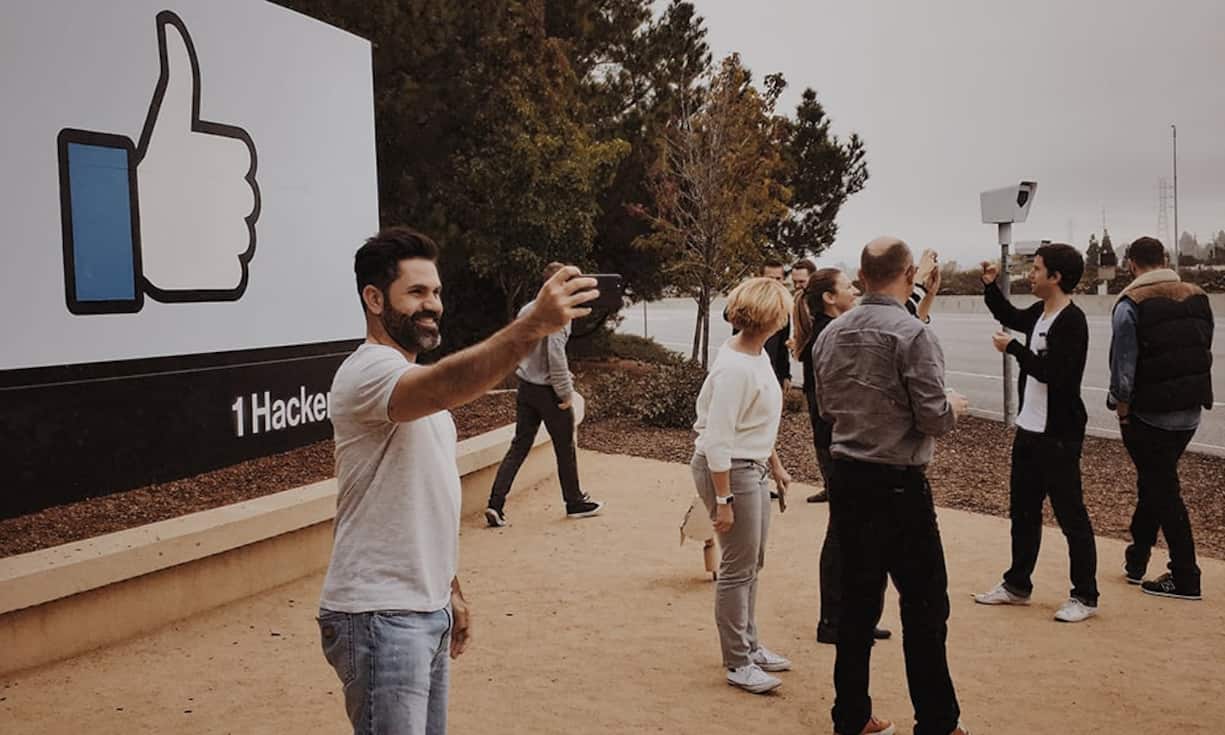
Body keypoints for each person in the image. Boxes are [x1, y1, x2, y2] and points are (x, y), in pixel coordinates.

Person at [317, 227, 598, 734]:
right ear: (374, 298)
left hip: (422, 608)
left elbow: (424, 498)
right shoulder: (368, 373)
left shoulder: (415, 390)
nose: (433, 306)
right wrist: (532, 325)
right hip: (380, 615)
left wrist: (449, 588)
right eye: (417, 293)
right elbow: (449, 381)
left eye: (437, 292)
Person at [813, 237, 971, 735]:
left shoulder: (830, 335)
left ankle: (851, 714)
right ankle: (938, 721)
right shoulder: (914, 335)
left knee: (858, 604)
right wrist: (953, 407)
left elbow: (825, 408)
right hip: (899, 483)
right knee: (925, 606)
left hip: (848, 477)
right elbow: (933, 418)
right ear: (907, 274)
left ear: (861, 275)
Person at [972, 244, 1100, 623]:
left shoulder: (1072, 321)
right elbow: (1009, 314)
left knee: (1070, 515)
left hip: (1058, 435)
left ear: (1056, 277)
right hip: (1029, 431)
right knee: (1023, 513)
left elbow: (1056, 375)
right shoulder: (1042, 312)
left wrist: (1013, 348)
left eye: (1037, 269)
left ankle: (1085, 595)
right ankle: (1017, 585)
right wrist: (990, 285)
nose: (1031, 274)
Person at [691, 276, 795, 694]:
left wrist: (777, 464)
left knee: (753, 562)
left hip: (749, 466)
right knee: (737, 568)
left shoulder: (754, 355)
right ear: (772, 318)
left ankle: (749, 646)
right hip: (731, 471)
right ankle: (738, 660)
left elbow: (755, 422)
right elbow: (718, 438)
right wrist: (723, 500)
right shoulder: (736, 366)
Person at [791, 269, 892, 645]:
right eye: (848, 285)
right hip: (836, 442)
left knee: (850, 530)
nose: (856, 290)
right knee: (843, 531)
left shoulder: (830, 329)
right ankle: (834, 620)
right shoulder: (827, 334)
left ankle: (848, 617)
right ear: (830, 298)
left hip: (837, 439)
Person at [1109, 236, 1214, 600]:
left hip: (1149, 413)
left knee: (1163, 489)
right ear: (1165, 258)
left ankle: (1186, 574)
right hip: (1190, 410)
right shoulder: (1197, 295)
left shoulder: (1130, 304)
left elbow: (1124, 366)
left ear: (1131, 264)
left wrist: (1122, 410)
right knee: (1155, 481)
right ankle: (1136, 559)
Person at [485, 262, 605, 527]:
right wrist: (565, 394)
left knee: (519, 446)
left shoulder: (528, 309)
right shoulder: (558, 315)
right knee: (565, 447)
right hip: (548, 391)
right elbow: (556, 357)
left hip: (526, 386)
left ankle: (495, 504)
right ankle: (574, 502)